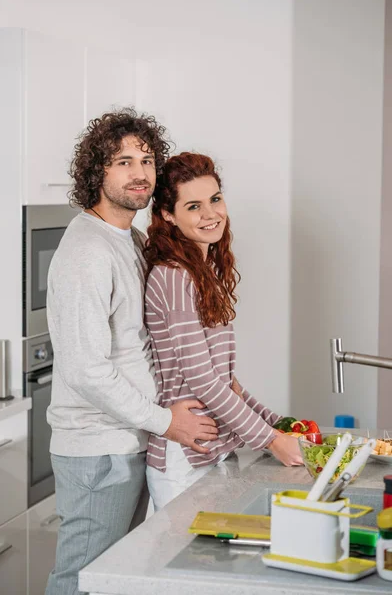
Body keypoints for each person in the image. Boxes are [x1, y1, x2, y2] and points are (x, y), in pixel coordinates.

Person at [45, 111, 218, 595]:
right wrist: (167, 422)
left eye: (147, 160)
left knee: (112, 579)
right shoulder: (87, 252)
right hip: (99, 449)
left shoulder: (132, 239)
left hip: (130, 438)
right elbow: (86, 370)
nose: (140, 173)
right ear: (96, 173)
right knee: (81, 579)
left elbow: (151, 340)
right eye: (123, 161)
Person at [143, 152, 303, 511]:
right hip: (185, 456)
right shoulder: (173, 276)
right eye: (194, 206)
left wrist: (277, 424)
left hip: (213, 450)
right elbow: (201, 379)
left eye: (215, 199)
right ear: (168, 215)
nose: (211, 214)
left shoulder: (203, 270)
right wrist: (270, 440)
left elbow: (224, 379)